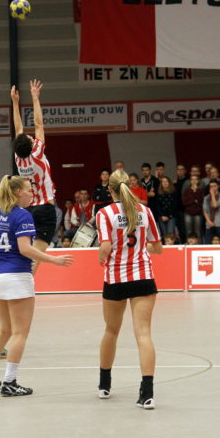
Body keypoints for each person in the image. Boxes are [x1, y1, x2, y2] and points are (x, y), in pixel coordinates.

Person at [0, 175, 73, 396]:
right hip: (17, 276)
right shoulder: (23, 216)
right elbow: (25, 249)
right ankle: (10, 382)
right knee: (20, 333)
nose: (32, 193)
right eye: (29, 190)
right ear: (19, 192)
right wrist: (54, 260)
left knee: (5, 329)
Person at [96, 169, 162, 409]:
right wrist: (140, 250)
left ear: (110, 189)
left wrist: (101, 257)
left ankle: (104, 384)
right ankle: (147, 393)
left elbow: (105, 247)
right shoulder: (145, 211)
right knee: (143, 334)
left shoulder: (104, 213)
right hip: (143, 277)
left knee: (111, 331)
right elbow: (157, 247)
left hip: (116, 278)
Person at [11, 79, 57, 273]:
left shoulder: (18, 159)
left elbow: (18, 130)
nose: (31, 136)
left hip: (28, 210)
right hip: (45, 208)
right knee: (34, 261)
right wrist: (35, 98)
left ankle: (21, 283)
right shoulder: (37, 154)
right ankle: (24, 286)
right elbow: (38, 124)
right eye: (30, 139)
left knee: (28, 257)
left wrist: (15, 103)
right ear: (31, 146)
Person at [182, 174, 204, 241]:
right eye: (192, 179)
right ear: (190, 181)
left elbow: (200, 202)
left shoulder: (200, 190)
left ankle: (199, 245)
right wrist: (194, 201)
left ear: (198, 181)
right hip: (188, 213)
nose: (194, 181)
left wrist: (195, 192)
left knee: (198, 231)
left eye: (195, 179)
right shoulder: (187, 191)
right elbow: (185, 202)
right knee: (188, 231)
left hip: (198, 213)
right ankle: (189, 245)